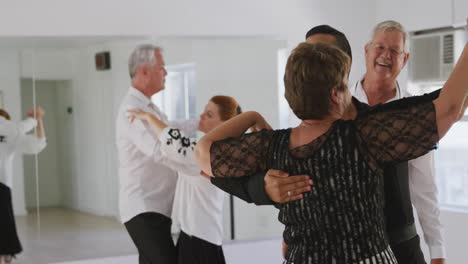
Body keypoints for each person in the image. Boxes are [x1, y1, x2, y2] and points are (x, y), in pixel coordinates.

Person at [195, 42, 468, 263]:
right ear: (337, 95)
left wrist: (251, 116)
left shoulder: (271, 146)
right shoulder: (362, 136)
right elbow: (450, 107)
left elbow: (203, 151)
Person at [127, 95, 242, 264]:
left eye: (209, 114)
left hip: (202, 240)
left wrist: (150, 117)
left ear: (224, 125)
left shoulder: (213, 152)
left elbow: (177, 145)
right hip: (190, 236)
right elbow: (170, 153)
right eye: (203, 111)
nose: (201, 116)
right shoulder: (204, 148)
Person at [116, 44, 197, 264]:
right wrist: (198, 164)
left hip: (157, 208)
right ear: (144, 71)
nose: (166, 73)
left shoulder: (149, 108)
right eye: (162, 67)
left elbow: (170, 131)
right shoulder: (131, 110)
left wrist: (203, 123)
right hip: (143, 208)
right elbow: (159, 151)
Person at [0, 107, 47, 264]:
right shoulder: (12, 129)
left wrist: (39, 121)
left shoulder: (12, 134)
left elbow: (37, 144)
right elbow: (17, 128)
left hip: (2, 186)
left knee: (4, 224)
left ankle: (5, 253)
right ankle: (5, 253)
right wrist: (35, 119)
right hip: (3, 186)